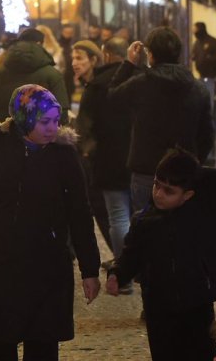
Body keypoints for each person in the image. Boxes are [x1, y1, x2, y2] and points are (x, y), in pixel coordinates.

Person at [0, 85, 101, 361]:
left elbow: (80, 213)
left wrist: (89, 269)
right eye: (45, 121)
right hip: (0, 262)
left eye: (56, 121)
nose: (52, 129)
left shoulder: (64, 154)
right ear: (24, 118)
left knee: (43, 344)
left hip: (48, 265)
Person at [105, 150, 216, 360]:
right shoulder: (144, 221)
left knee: (202, 353)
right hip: (158, 306)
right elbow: (131, 255)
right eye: (156, 185)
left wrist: (191, 170)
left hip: (197, 302)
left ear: (188, 194)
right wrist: (117, 274)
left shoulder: (205, 213)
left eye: (169, 191)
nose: (159, 193)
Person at [101, 27, 215, 216]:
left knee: (146, 232)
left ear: (150, 54)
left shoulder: (141, 84)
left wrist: (129, 63)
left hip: (146, 171)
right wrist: (194, 161)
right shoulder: (197, 88)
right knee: (181, 231)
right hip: (183, 171)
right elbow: (207, 135)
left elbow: (112, 98)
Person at [79, 39, 134, 285]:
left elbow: (85, 125)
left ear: (106, 55)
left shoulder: (97, 84)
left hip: (108, 157)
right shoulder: (142, 80)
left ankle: (124, 273)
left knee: (118, 216)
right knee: (141, 214)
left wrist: (87, 150)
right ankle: (142, 267)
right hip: (140, 157)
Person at [0, 28, 70, 142]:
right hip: (42, 147)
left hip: (4, 144)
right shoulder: (53, 75)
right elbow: (61, 115)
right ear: (40, 45)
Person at [68, 39, 115, 263]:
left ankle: (123, 260)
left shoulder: (97, 86)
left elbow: (92, 124)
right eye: (73, 58)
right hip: (99, 155)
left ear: (94, 59)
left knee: (103, 209)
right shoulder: (92, 85)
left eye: (79, 58)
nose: (74, 63)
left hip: (98, 157)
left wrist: (85, 149)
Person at [192, 22, 216, 124]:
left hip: (212, 77)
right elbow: (194, 55)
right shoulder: (197, 43)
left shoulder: (213, 42)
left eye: (195, 29)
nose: (193, 32)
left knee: (210, 101)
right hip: (201, 77)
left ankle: (210, 124)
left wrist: (208, 59)